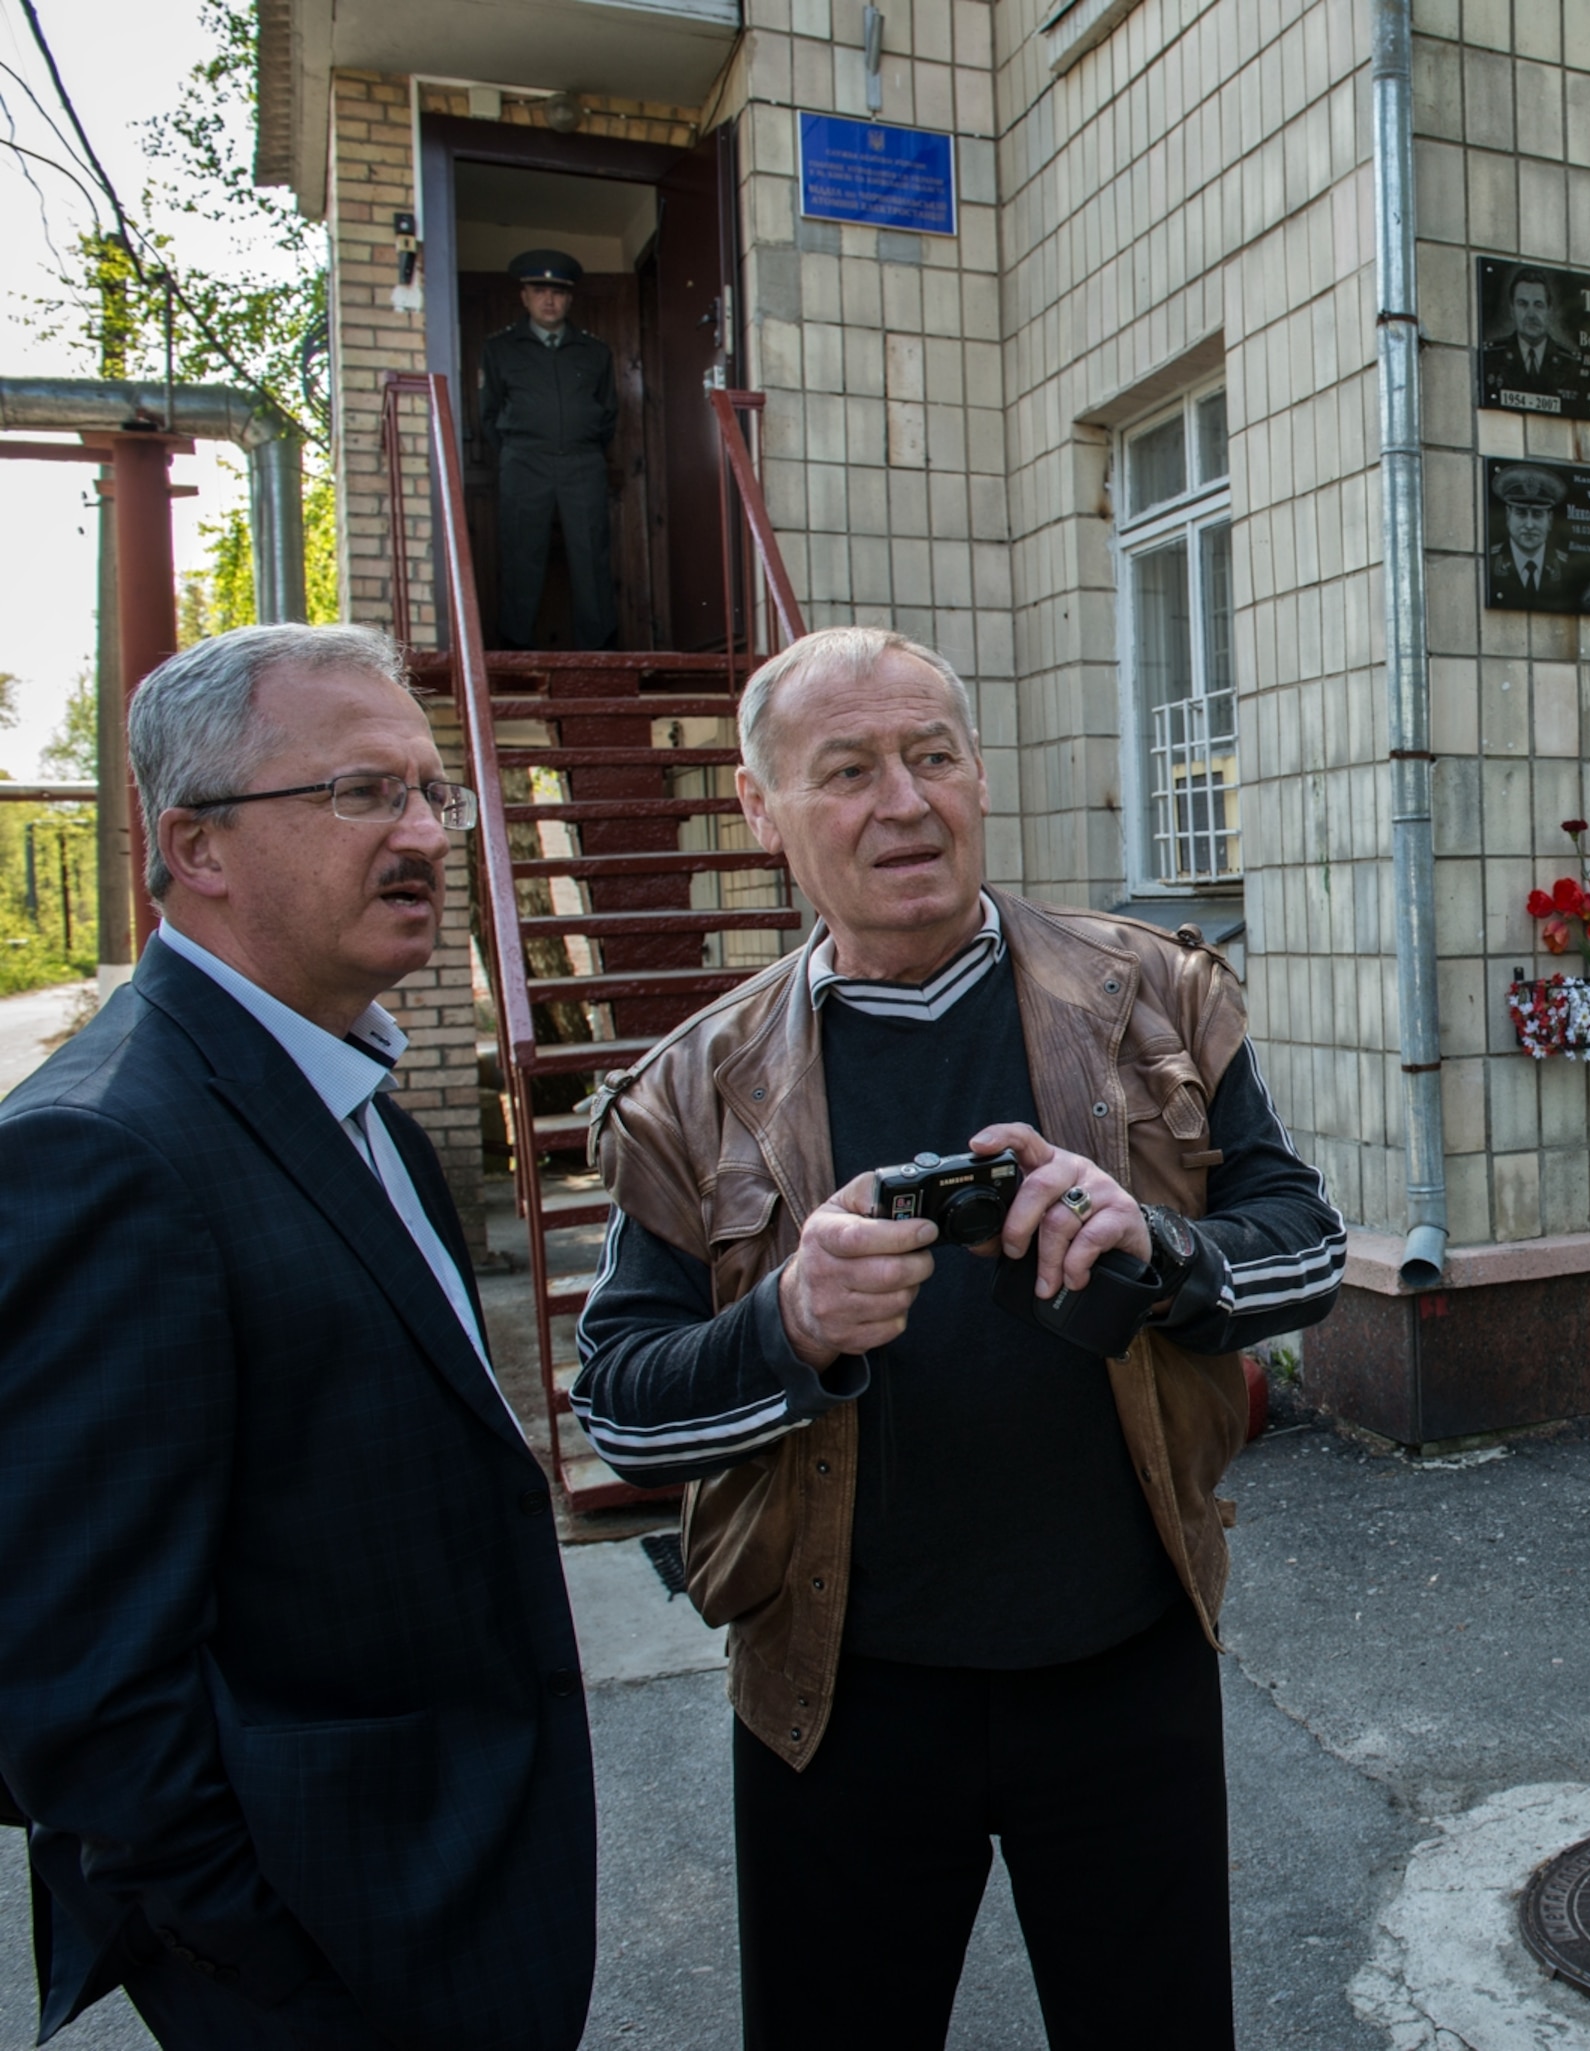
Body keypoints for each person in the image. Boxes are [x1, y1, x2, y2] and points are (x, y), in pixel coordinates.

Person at [568, 626, 1345, 2051]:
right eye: (848, 768)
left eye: (931, 755)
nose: (904, 802)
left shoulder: (1151, 999)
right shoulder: (694, 1090)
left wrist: (1160, 1247)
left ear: (980, 772)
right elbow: (620, 1406)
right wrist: (788, 1325)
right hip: (836, 1699)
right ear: (761, 808)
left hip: (1126, 1662)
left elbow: (1307, 1246)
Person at [0, 624, 596, 2049]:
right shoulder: (106, 1153)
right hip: (335, 1948)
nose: (420, 834)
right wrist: (276, 1985)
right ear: (196, 845)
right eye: (357, 794)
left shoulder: (364, 1095)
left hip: (463, 1886)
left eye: (429, 793)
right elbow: (82, 1695)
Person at [479, 248, 619, 649]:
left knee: (591, 557)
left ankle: (600, 653)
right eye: (539, 290)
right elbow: (489, 415)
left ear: (570, 298)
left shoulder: (594, 351)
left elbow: (608, 414)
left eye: (557, 291)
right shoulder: (501, 348)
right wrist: (522, 450)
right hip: (524, 462)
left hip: (581, 462)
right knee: (522, 556)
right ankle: (515, 652)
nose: (549, 299)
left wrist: (578, 444)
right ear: (524, 296)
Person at [1486, 462, 1587, 610]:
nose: (1529, 525)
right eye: (1521, 514)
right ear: (1508, 516)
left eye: (1537, 515)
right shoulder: (1490, 562)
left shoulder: (1567, 567)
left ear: (1550, 520)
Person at [1480, 268, 1583, 411]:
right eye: (1522, 304)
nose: (1531, 314)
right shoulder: (1490, 358)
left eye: (1538, 305)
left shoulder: (1571, 365)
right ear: (1512, 310)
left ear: (1550, 310)